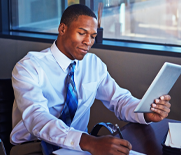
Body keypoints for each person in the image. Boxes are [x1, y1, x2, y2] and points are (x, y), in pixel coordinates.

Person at [10, 4, 171, 155]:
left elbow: (119, 100)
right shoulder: (28, 67)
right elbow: (36, 118)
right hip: (34, 147)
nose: (88, 42)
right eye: (82, 33)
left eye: (93, 36)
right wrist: (89, 142)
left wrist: (146, 112)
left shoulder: (93, 64)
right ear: (62, 29)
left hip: (77, 148)